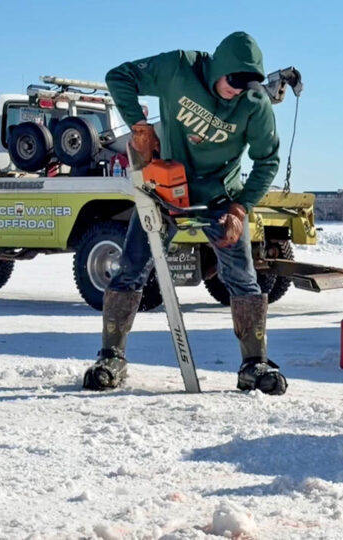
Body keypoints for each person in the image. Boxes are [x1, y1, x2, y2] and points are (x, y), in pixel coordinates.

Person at [83, 31, 291, 395]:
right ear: (220, 68)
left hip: (219, 199)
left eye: (246, 84)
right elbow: (120, 76)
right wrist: (139, 125)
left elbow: (267, 160)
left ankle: (253, 365)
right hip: (165, 190)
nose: (237, 89)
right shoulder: (180, 68)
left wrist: (240, 209)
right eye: (233, 80)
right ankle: (110, 358)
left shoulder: (254, 104)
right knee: (131, 268)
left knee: (242, 277)